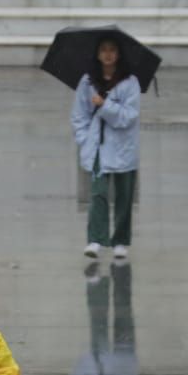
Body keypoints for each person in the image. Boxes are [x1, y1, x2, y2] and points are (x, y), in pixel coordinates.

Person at [71, 35, 142, 261]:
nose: (108, 54)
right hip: (98, 147)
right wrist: (84, 139)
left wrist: (105, 105)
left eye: (112, 50)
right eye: (104, 50)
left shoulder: (130, 82)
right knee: (98, 193)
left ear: (118, 54)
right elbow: (79, 114)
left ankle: (120, 240)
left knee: (123, 195)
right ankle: (96, 238)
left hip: (123, 147)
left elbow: (128, 116)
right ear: (98, 54)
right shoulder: (87, 82)